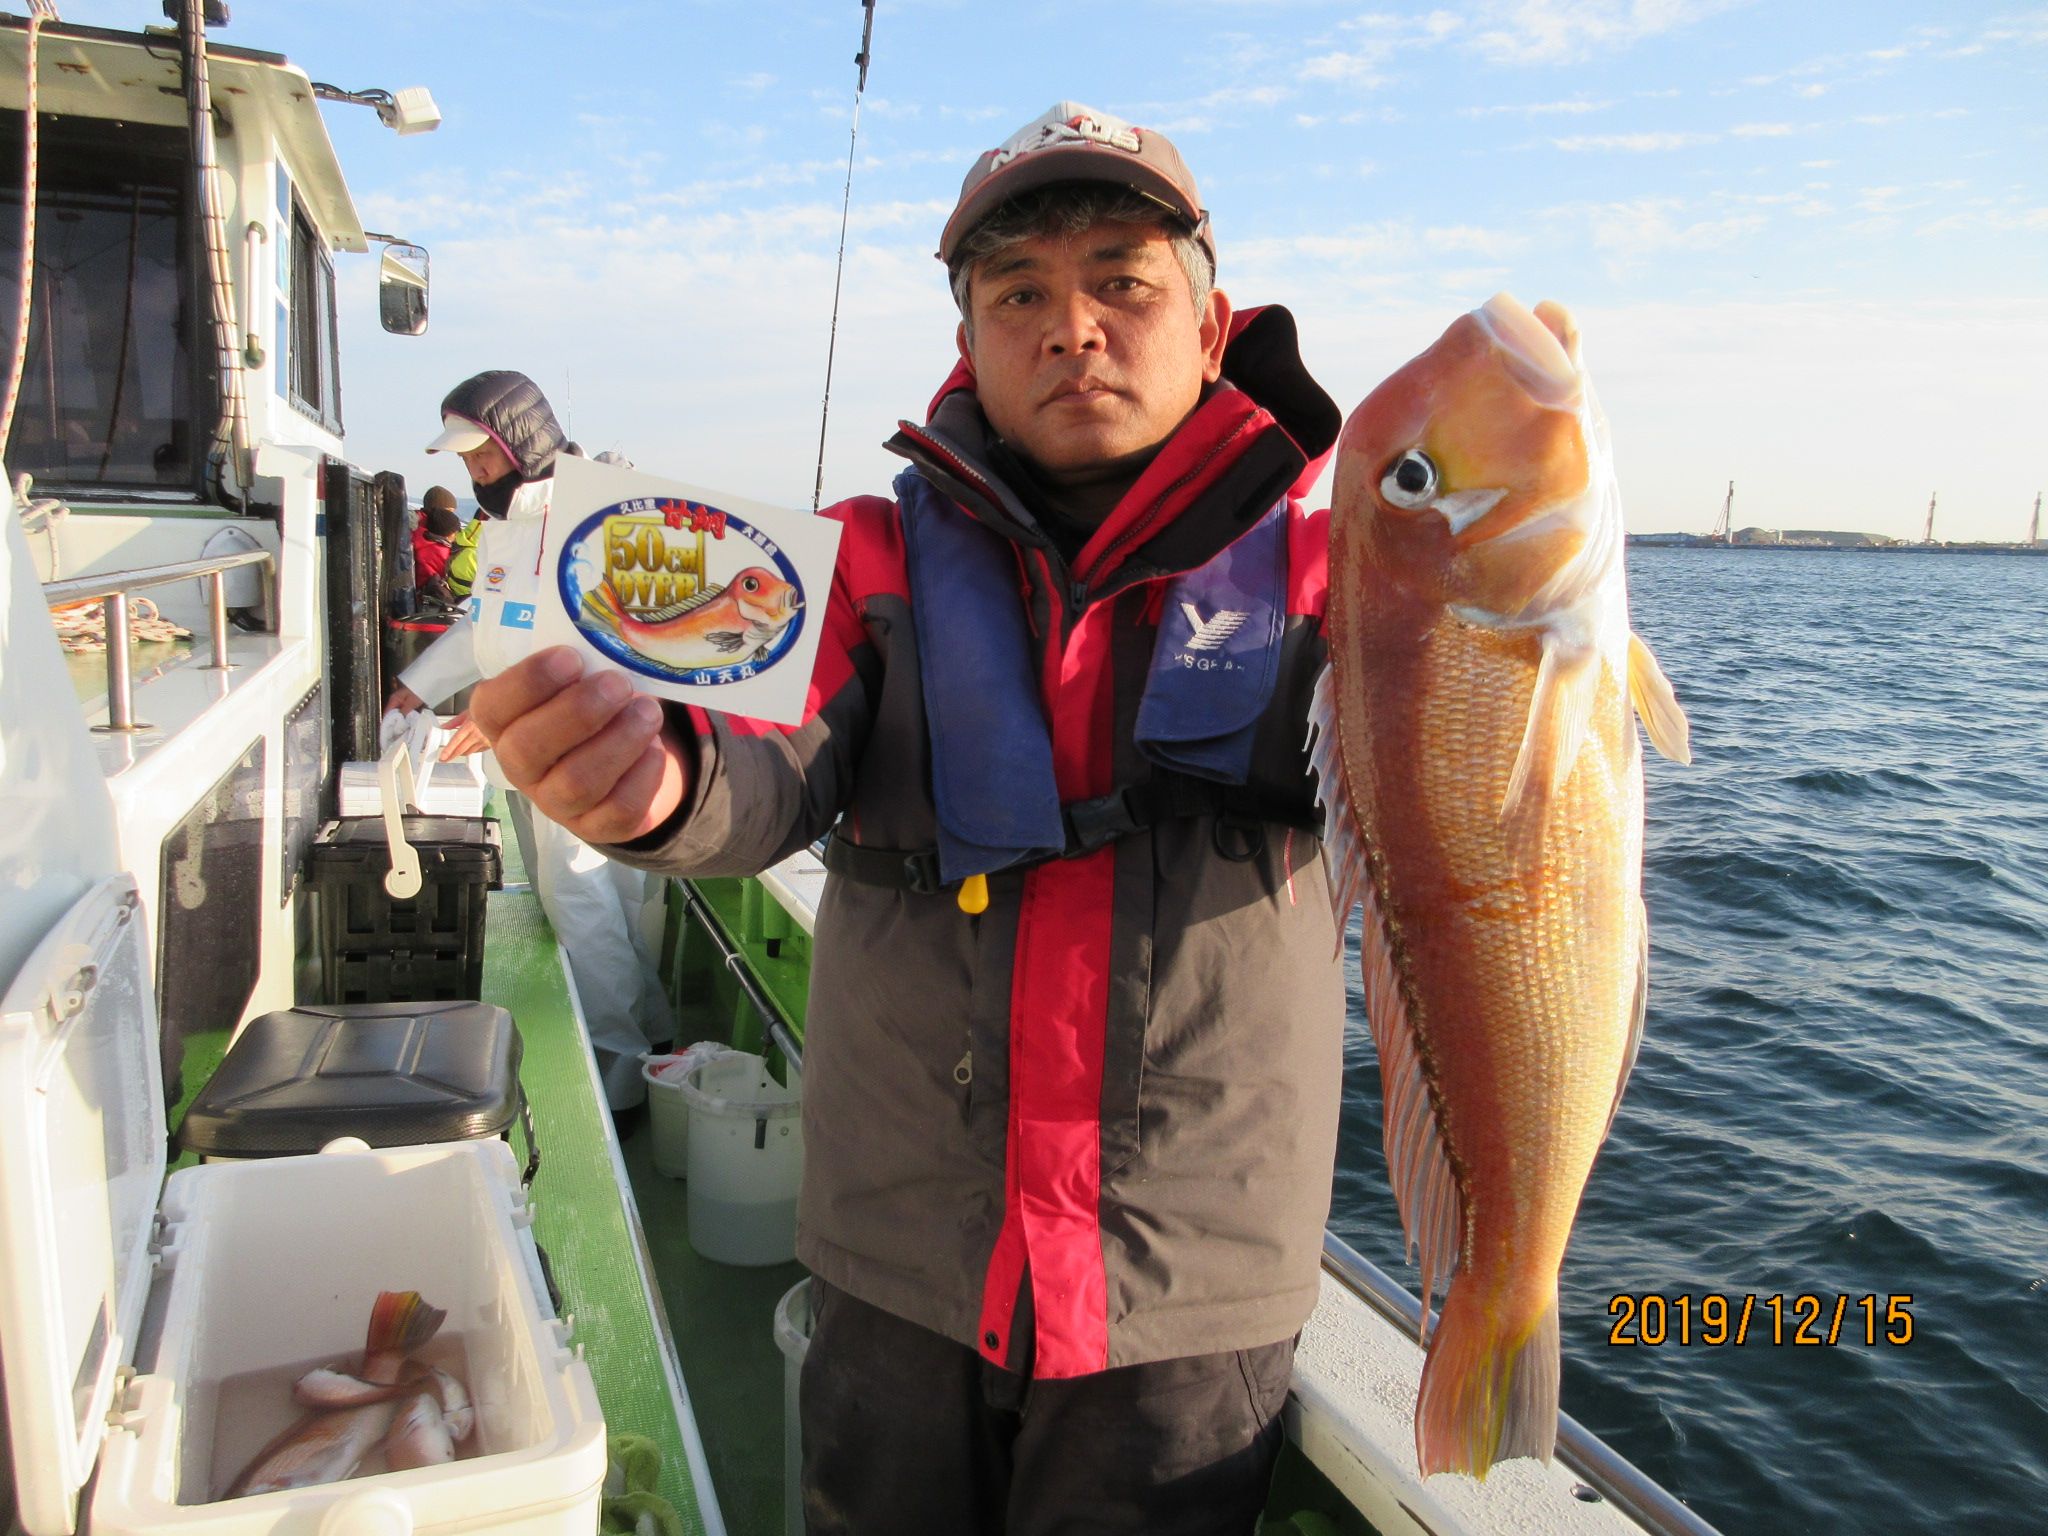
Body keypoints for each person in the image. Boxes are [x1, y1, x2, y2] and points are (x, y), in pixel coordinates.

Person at [470, 103, 1347, 1534]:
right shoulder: (859, 562)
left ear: (1208, 325)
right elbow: (753, 751)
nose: (1072, 329)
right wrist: (656, 777)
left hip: (1187, 1302)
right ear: (968, 342)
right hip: (900, 1270)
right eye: (1020, 295)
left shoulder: (1344, 581)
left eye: (1121, 282)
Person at [385, 371, 674, 1112]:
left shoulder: (595, 514)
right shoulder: (509, 524)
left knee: (581, 893)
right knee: (602, 894)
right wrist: (420, 683)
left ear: (523, 441)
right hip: (550, 739)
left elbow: (604, 637)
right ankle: (650, 1040)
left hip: (590, 739)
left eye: (482, 454)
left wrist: (497, 713)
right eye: (467, 460)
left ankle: (618, 1073)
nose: (475, 472)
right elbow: (489, 623)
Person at [411, 485, 464, 603]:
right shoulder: (427, 535)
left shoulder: (417, 525)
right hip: (424, 592)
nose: (452, 516)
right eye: (450, 511)